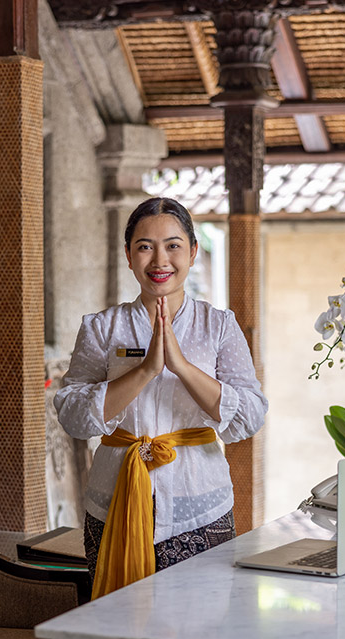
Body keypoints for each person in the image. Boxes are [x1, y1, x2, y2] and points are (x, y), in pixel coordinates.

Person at [54, 196, 267, 598]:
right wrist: (146, 370)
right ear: (129, 255)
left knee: (202, 626)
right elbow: (73, 415)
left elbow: (250, 415)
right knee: (121, 622)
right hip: (113, 502)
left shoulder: (218, 326)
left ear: (192, 250)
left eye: (172, 245)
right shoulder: (102, 328)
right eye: (145, 246)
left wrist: (182, 366)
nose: (159, 261)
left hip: (200, 505)